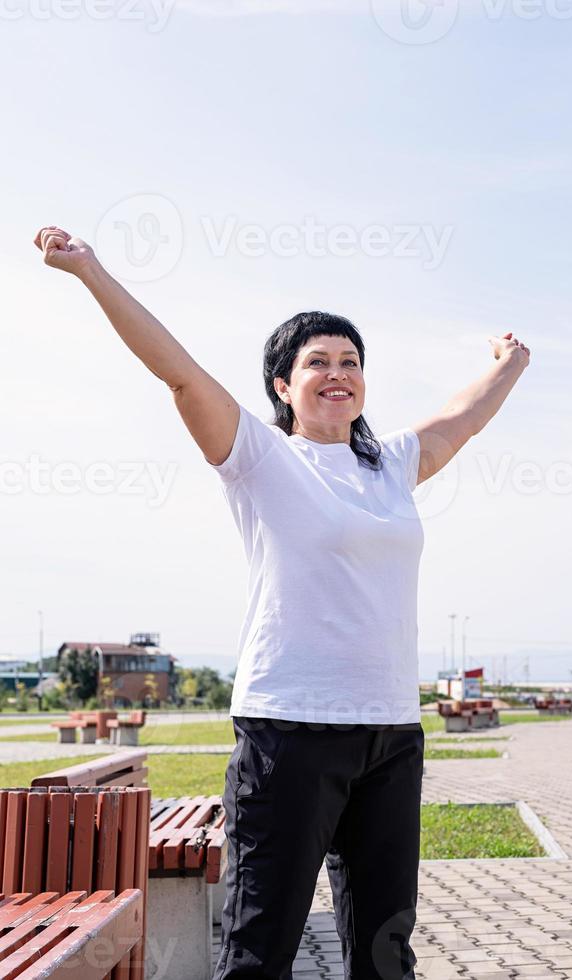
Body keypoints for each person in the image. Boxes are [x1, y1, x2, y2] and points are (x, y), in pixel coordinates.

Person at [34, 224, 531, 980]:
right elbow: (179, 373)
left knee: (386, 951)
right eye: (318, 362)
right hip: (290, 731)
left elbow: (463, 418)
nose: (339, 374)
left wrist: (511, 364)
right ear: (281, 384)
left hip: (390, 733)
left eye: (351, 362)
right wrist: (92, 271)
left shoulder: (390, 464)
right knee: (260, 952)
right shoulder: (260, 459)